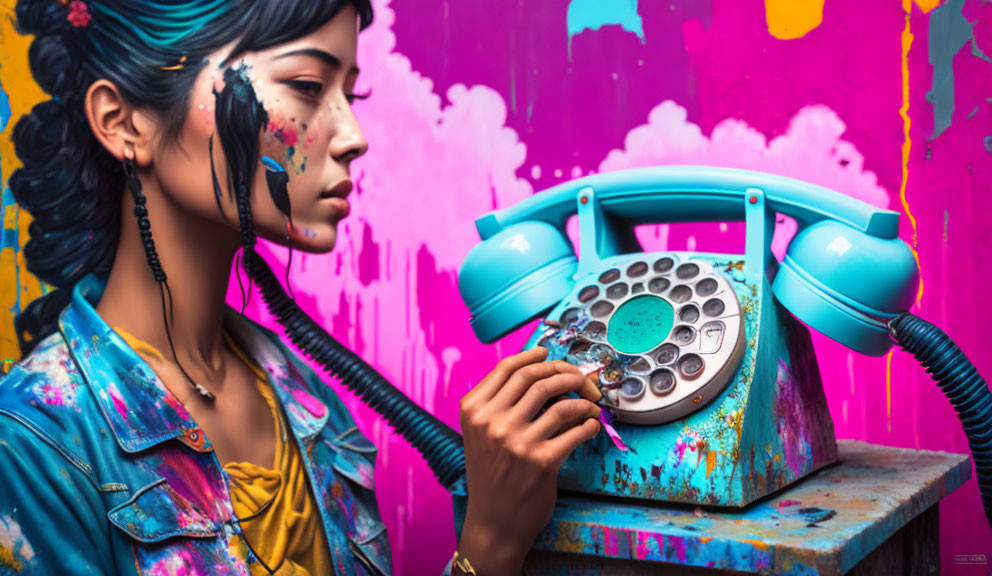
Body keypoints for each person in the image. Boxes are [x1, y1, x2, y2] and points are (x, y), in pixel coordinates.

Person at [0, 1, 603, 575]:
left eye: (350, 92)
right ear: (123, 120)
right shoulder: (34, 448)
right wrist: (487, 551)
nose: (353, 135)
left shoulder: (309, 402)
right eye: (310, 87)